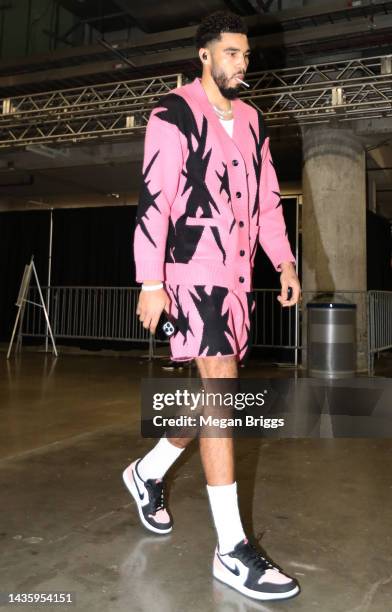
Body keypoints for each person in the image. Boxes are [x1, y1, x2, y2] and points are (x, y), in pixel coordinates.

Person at [123, 10, 302, 602]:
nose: (241, 64)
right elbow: (156, 197)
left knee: (212, 396)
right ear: (205, 54)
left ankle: (146, 472)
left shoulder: (252, 120)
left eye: (245, 55)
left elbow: (268, 200)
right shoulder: (171, 112)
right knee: (221, 386)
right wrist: (151, 281)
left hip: (237, 273)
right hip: (191, 268)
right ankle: (231, 549)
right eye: (231, 54)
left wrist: (285, 262)